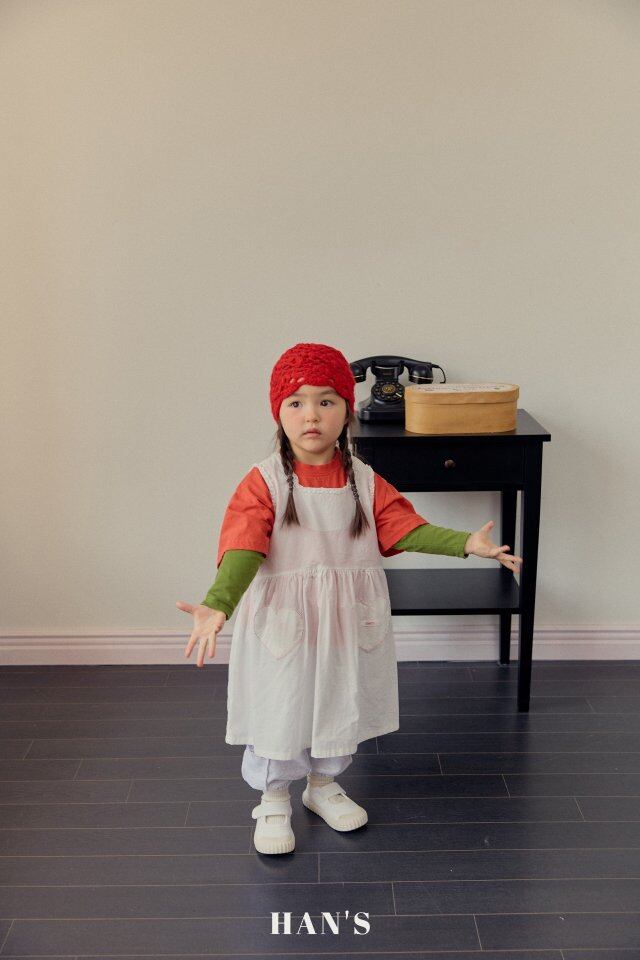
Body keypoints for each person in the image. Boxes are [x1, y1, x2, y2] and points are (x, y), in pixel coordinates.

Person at [176, 342, 523, 856]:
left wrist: (465, 544)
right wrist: (218, 603)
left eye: (326, 401)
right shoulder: (263, 482)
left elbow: (405, 528)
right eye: (296, 403)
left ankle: (323, 785)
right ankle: (274, 797)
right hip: (285, 625)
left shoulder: (364, 480)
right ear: (278, 413)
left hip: (343, 623)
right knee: (282, 704)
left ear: (346, 410)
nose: (311, 415)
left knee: (338, 698)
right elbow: (245, 547)